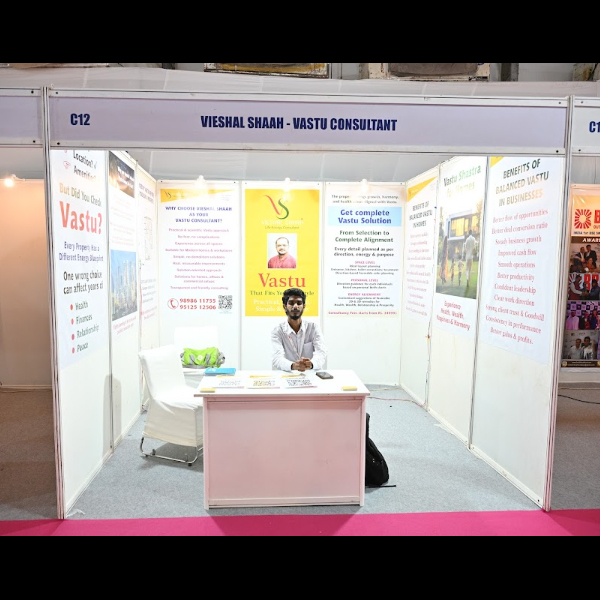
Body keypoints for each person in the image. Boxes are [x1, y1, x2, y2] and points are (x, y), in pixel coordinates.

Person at [271, 287, 327, 372]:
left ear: (303, 306)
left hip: (310, 374)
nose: (295, 306)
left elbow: (321, 352)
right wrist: (293, 366)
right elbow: (277, 358)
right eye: (291, 303)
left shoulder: (313, 328)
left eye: (299, 303)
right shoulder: (278, 331)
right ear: (285, 306)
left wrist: (311, 364)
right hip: (287, 375)